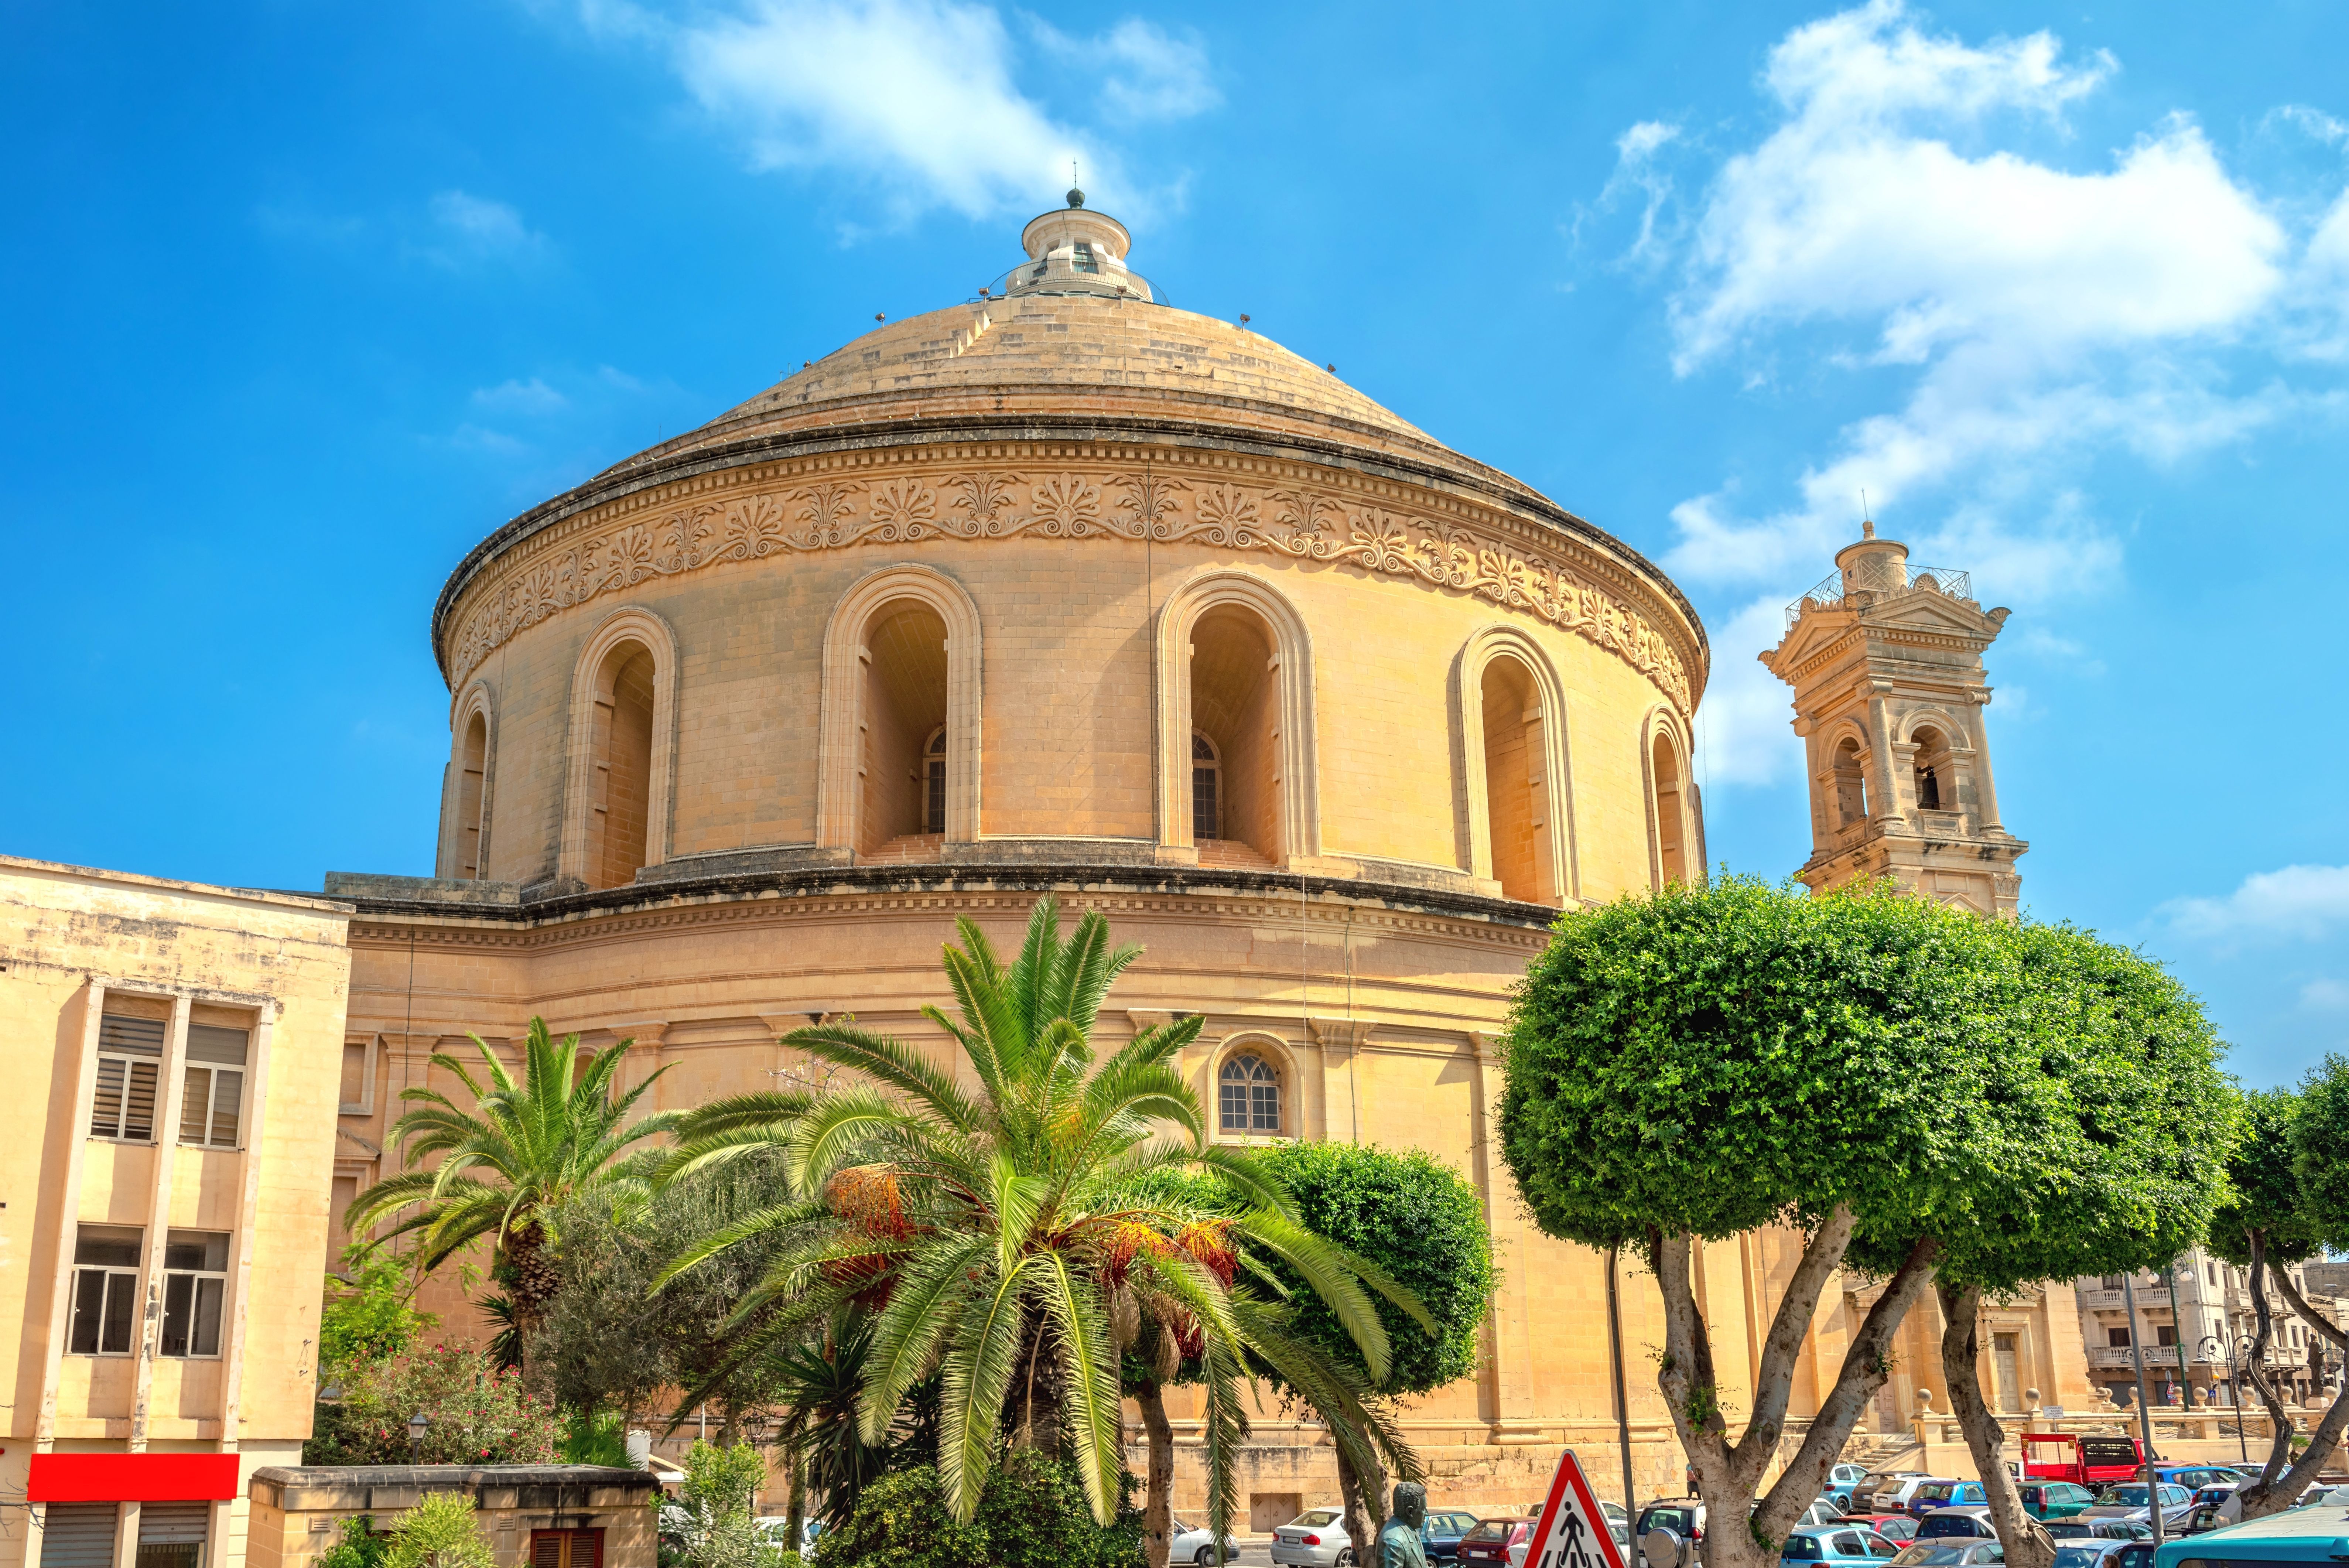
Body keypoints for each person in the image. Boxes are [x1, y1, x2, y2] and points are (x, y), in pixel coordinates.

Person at [1379, 1482, 1431, 1568]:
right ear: (1410, 1512)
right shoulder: (1392, 1542)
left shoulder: (1410, 1529)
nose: (1427, 1514)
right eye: (1423, 1509)